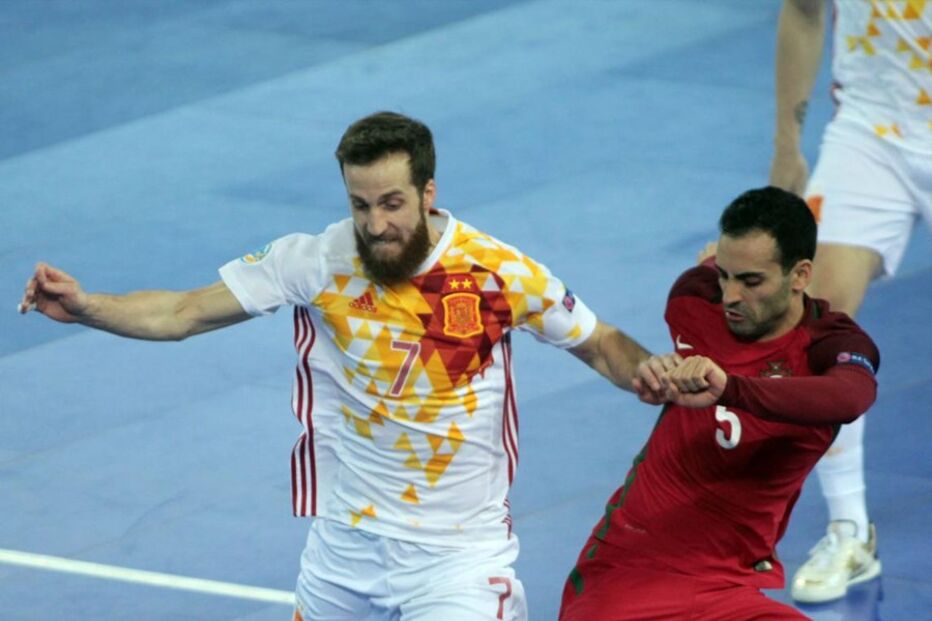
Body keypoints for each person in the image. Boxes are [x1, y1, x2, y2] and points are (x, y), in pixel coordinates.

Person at [18, 111, 663, 621]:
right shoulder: (318, 260)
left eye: (391, 203)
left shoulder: (496, 273)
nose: (375, 225)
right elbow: (184, 312)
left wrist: (655, 374)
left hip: (457, 556)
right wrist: (86, 307)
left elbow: (600, 341)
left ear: (428, 192)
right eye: (360, 205)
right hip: (345, 549)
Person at [559, 186, 880, 620]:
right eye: (725, 275)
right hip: (630, 568)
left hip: (730, 587)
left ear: (801, 275)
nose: (730, 295)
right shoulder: (696, 300)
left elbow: (851, 396)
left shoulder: (830, 345)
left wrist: (731, 388)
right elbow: (718, 277)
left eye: (750, 281)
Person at [769, 0, 930, 603]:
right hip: (871, 130)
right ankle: (850, 529)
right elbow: (806, 12)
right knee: (809, 321)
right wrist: (788, 146)